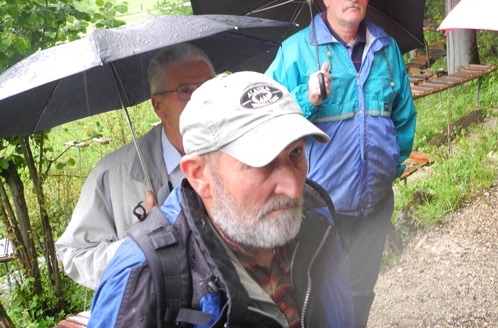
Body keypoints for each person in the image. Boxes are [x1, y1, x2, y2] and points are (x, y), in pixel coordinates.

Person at [87, 71, 355, 328]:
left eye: (295, 153)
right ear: (199, 175)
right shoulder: (144, 280)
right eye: (262, 163)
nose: (294, 189)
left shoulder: (316, 218)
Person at [265, 0, 417, 326]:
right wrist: (308, 98)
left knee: (361, 290)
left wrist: (391, 167)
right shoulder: (295, 51)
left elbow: (403, 116)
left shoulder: (386, 48)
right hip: (318, 207)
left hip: (374, 204)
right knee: (317, 292)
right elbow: (266, 121)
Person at [55, 43, 215, 289]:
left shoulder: (240, 155)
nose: (201, 100)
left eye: (208, 88)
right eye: (185, 90)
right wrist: (141, 247)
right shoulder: (112, 175)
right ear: (158, 106)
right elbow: (76, 255)